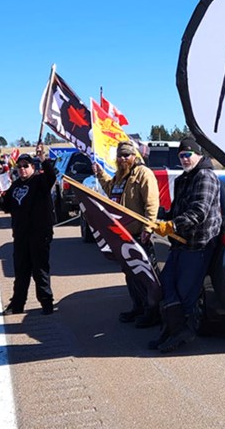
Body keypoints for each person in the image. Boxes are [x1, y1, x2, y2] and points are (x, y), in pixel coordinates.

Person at [147, 136, 222, 353]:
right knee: (166, 283)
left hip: (198, 245)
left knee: (185, 293)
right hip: (179, 244)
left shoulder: (205, 177)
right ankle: (172, 328)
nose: (184, 159)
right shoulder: (182, 179)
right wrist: (162, 220)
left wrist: (171, 225)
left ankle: (181, 331)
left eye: (188, 155)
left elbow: (198, 212)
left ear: (199, 155)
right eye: (181, 156)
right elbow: (177, 210)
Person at [92, 140, 162, 328]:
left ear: (134, 156)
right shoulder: (120, 176)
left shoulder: (143, 174)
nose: (123, 159)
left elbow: (152, 204)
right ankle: (138, 307)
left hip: (141, 236)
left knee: (144, 275)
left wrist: (148, 229)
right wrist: (100, 174)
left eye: (127, 155)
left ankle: (153, 312)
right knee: (130, 274)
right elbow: (110, 190)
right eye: (120, 156)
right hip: (124, 236)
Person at [0, 152, 59, 315]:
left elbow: (51, 176)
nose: (22, 169)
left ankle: (46, 304)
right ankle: (17, 305)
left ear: (33, 167)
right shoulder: (15, 185)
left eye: (26, 166)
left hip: (39, 234)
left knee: (40, 270)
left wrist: (43, 159)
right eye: (20, 166)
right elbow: (7, 207)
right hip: (21, 235)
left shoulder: (40, 181)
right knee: (21, 271)